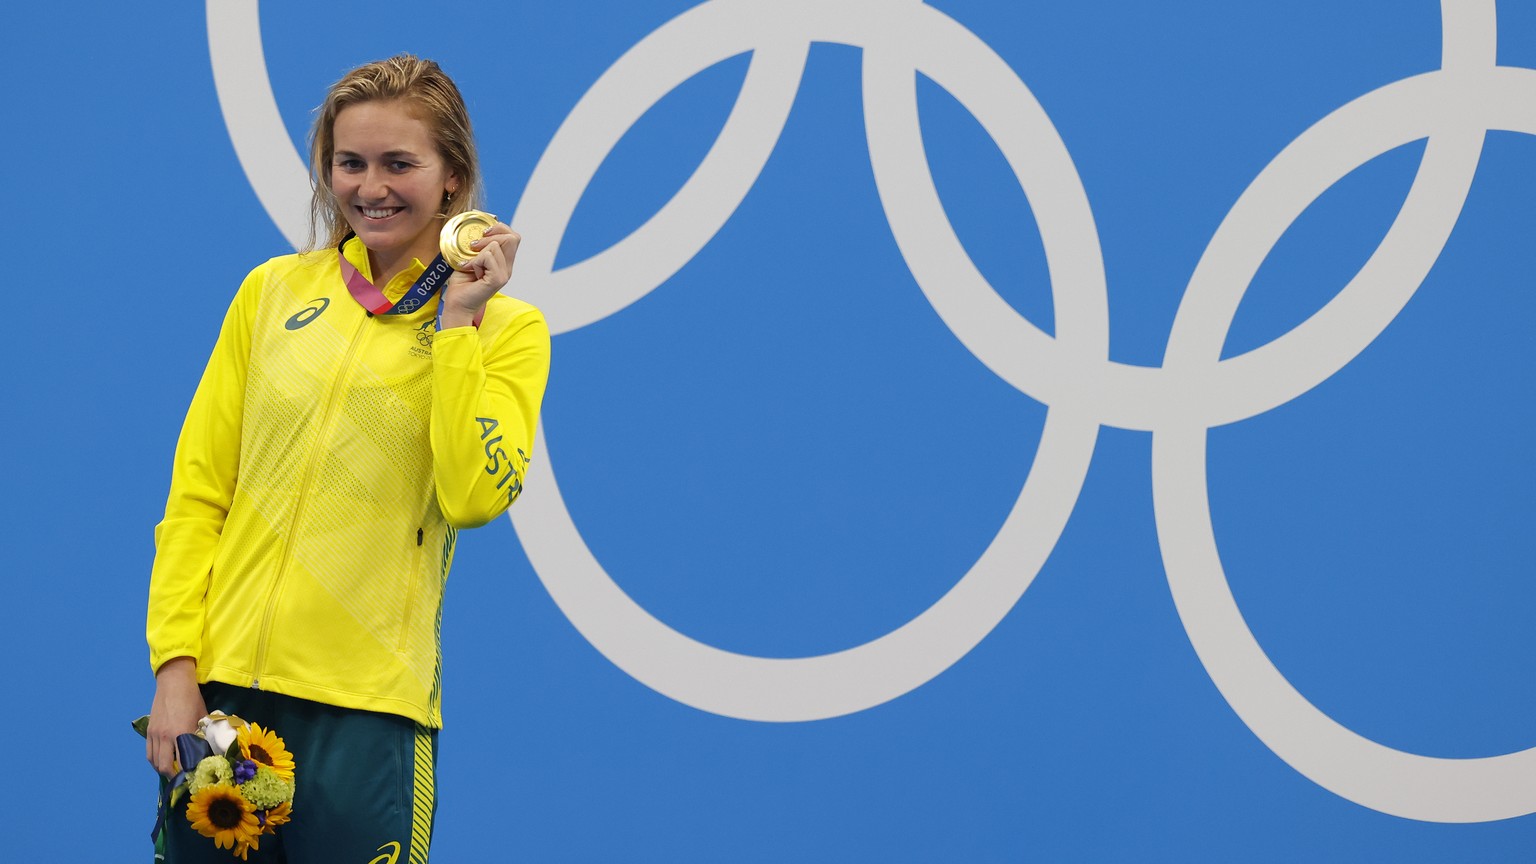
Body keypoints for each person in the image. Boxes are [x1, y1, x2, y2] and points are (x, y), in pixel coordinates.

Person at [144, 54, 549, 862]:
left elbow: (473, 495)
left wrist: (459, 328)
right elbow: (198, 496)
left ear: (452, 180)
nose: (372, 186)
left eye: (400, 163)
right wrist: (175, 668)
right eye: (350, 163)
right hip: (223, 711)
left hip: (368, 714)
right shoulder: (272, 294)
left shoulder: (508, 330)